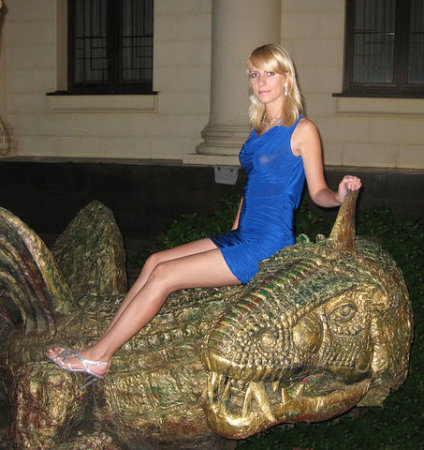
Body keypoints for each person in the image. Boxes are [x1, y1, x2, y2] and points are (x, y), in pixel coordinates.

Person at [47, 43, 362, 379]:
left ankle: (98, 358)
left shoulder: (302, 130)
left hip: (268, 243)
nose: (261, 82)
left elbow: (317, 192)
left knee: (165, 276)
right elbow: (254, 185)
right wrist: (234, 230)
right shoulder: (259, 127)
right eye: (254, 74)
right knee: (154, 262)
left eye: (270, 73)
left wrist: (339, 195)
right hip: (244, 234)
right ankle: (104, 340)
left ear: (287, 79)